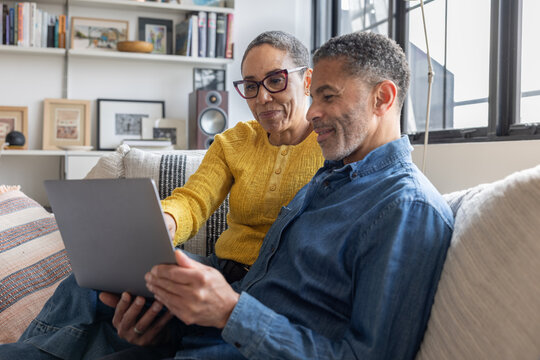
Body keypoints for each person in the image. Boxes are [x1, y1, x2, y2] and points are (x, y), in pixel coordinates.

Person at [0, 32, 454, 360]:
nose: (312, 111)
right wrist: (165, 232)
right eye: (251, 86)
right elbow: (195, 199)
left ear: (383, 98)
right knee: (97, 292)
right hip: (224, 310)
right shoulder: (334, 172)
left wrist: (228, 311)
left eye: (325, 96)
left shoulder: (400, 205)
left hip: (232, 323)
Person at [161, 29, 324, 283]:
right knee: (114, 270)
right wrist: (168, 219)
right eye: (251, 86)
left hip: (283, 285)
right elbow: (194, 199)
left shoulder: (331, 143)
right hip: (219, 272)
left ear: (307, 81)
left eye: (276, 80)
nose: (262, 97)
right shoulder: (234, 141)